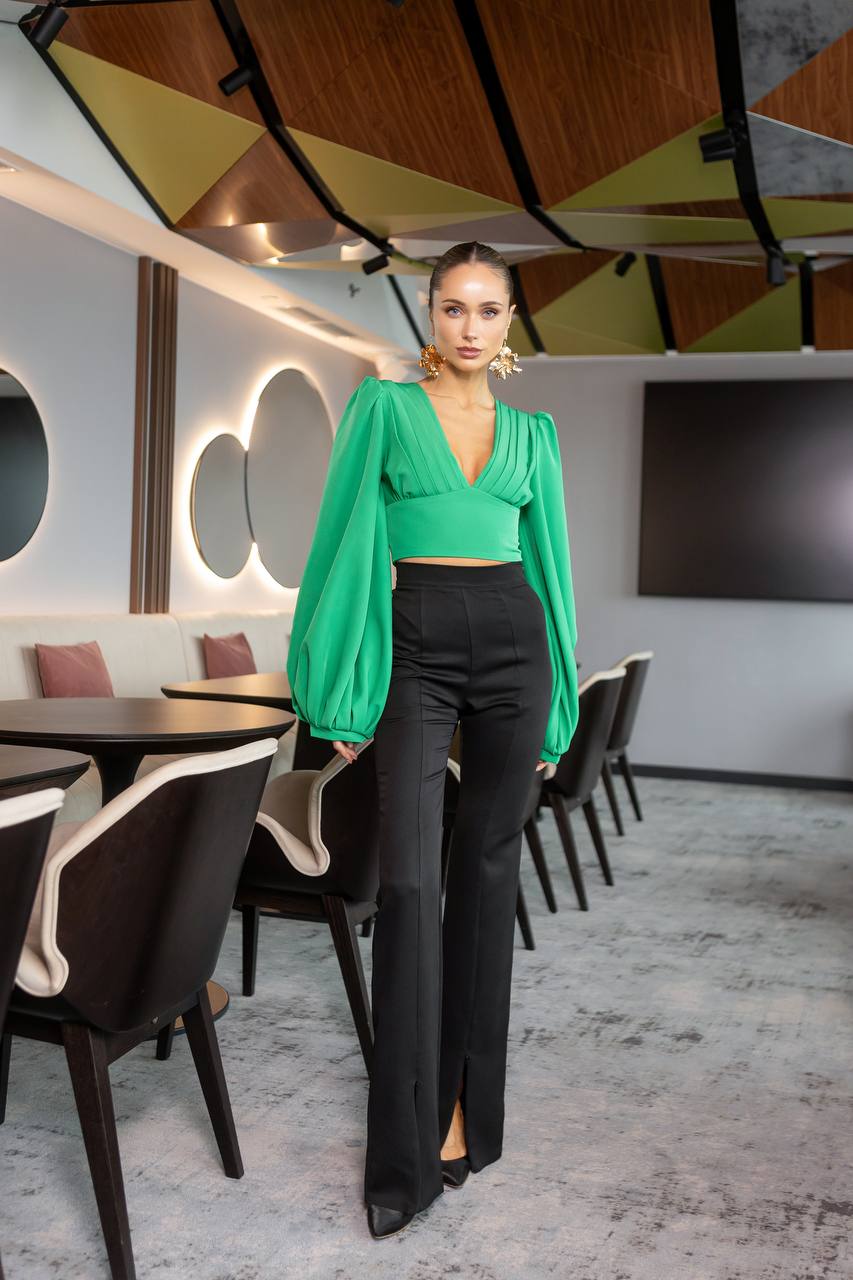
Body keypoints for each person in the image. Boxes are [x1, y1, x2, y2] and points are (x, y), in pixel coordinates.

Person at [286, 241, 579, 1239]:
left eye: (486, 310)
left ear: (508, 321)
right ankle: (401, 1159)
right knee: (408, 888)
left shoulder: (532, 433)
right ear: (428, 313)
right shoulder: (382, 407)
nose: (467, 326)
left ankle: (465, 1113)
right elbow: (336, 544)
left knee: (488, 879)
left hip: (510, 638)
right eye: (451, 307)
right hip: (412, 636)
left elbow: (551, 567)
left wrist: (558, 705)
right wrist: (338, 690)